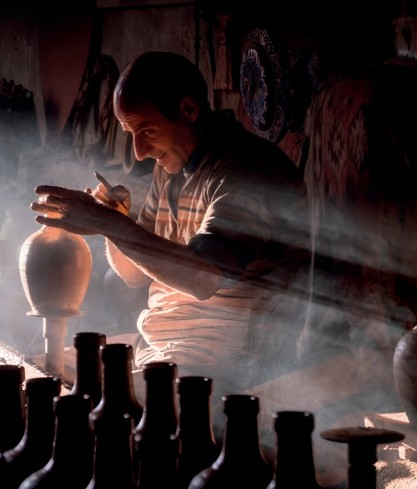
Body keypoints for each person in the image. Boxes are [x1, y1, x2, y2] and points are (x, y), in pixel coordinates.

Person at [31, 51, 311, 398]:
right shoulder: (172, 169)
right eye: (129, 133)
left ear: (189, 110)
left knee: (84, 401)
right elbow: (135, 275)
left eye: (146, 130)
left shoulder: (248, 172)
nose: (139, 151)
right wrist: (113, 222)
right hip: (167, 348)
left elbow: (202, 277)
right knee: (40, 372)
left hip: (232, 366)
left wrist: (108, 223)